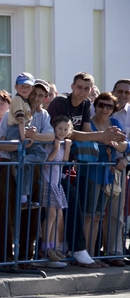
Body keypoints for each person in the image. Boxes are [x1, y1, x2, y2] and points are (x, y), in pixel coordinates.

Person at [47, 72, 126, 268]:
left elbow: (86, 132)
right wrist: (103, 135)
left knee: (69, 207)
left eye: (87, 88)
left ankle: (68, 251)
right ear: (72, 86)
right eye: (79, 87)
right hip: (48, 161)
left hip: (65, 163)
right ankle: (63, 251)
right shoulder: (60, 102)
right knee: (57, 210)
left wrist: (106, 137)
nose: (82, 92)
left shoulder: (84, 105)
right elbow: (70, 133)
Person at [0, 79, 57, 267]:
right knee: (6, 210)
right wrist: (21, 147)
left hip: (33, 167)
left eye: (41, 95)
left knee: (31, 210)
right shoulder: (13, 112)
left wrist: (34, 136)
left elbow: (51, 136)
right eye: (34, 93)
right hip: (9, 164)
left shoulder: (43, 115)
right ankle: (5, 258)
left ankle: (25, 257)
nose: (37, 98)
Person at [81, 92, 128, 256]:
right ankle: (84, 254)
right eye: (101, 105)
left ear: (113, 109)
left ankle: (92, 254)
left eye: (109, 106)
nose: (105, 109)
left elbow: (125, 146)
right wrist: (105, 138)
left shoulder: (114, 123)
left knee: (98, 216)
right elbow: (85, 139)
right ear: (95, 106)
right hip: (90, 172)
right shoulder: (88, 123)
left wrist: (111, 142)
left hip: (107, 173)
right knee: (88, 215)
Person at [3, 73, 48, 208]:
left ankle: (23, 199)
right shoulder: (18, 100)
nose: (26, 90)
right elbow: (21, 120)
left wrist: (34, 135)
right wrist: (24, 138)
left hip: (20, 132)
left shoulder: (36, 110)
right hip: (16, 132)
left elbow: (51, 135)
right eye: (22, 86)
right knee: (42, 154)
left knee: (26, 168)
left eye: (28, 87)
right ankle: (22, 160)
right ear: (16, 87)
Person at [39, 116, 71, 262]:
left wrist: (67, 147)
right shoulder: (51, 144)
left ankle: (53, 246)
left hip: (56, 184)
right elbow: (46, 163)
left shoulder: (63, 144)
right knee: (51, 215)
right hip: (47, 183)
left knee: (58, 215)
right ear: (54, 129)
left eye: (65, 129)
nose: (62, 132)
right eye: (60, 128)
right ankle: (45, 247)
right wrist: (56, 148)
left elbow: (64, 161)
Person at [106, 78, 130, 266]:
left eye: (127, 92)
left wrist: (126, 159)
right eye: (119, 91)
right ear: (113, 91)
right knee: (94, 213)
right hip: (99, 165)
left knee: (116, 213)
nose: (122, 95)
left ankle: (115, 253)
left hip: (120, 167)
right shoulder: (101, 107)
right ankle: (94, 253)